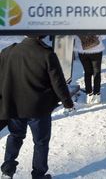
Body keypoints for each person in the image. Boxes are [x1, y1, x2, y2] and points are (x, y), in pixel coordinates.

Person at [0, 36, 75, 179]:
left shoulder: (7, 52)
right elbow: (58, 82)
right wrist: (68, 103)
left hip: (14, 106)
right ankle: (39, 175)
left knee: (15, 136)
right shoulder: (47, 54)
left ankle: (7, 170)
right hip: (38, 108)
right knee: (41, 142)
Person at [74, 34, 106, 105]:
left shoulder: (77, 23)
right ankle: (97, 94)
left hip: (82, 49)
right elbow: (104, 35)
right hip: (96, 49)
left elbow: (73, 35)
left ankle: (89, 94)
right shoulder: (96, 22)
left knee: (87, 72)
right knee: (97, 72)